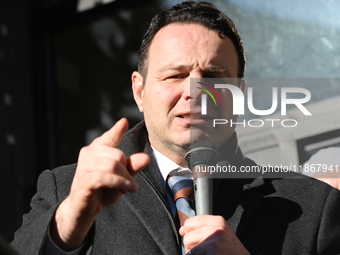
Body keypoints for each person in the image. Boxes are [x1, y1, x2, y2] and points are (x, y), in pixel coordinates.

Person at [11, 1, 340, 255]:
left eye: (213, 76)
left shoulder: (315, 207)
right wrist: (69, 224)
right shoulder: (67, 192)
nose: (196, 92)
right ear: (139, 91)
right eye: (175, 75)